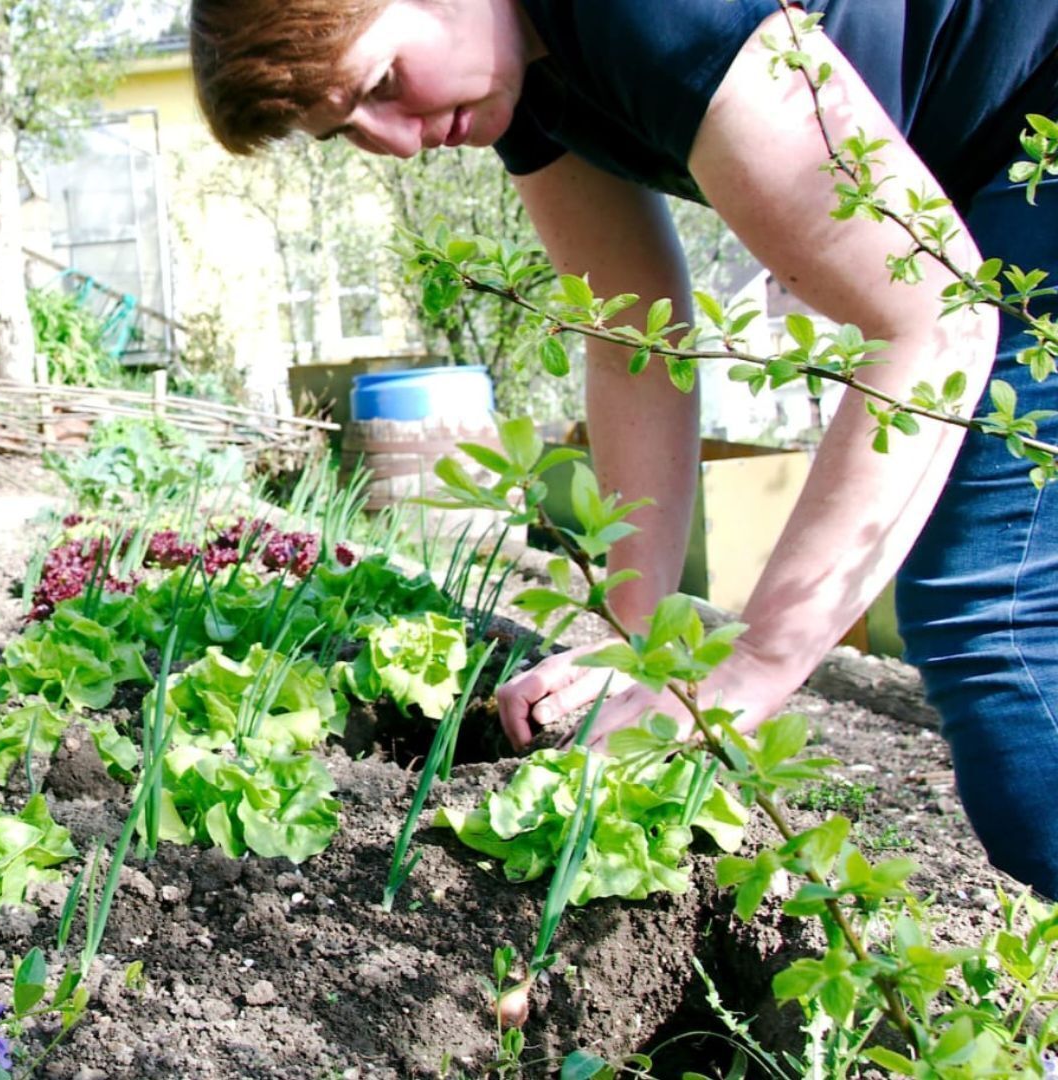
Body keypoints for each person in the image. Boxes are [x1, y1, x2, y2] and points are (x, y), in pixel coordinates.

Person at [189, 0, 1058, 898]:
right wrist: (630, 638)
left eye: (381, 83)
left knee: (993, 602)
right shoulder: (521, 73)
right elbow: (636, 337)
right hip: (978, 163)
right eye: (346, 132)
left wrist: (751, 669)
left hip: (1035, 127)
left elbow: (935, 321)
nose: (396, 142)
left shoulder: (644, 10)